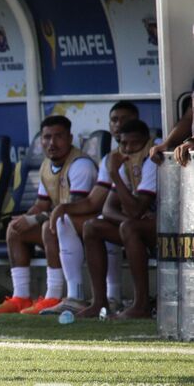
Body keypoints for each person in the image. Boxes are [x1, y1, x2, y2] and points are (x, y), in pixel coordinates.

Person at [0, 115, 97, 315]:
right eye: (46, 137)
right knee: (16, 229)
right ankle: (20, 297)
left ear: (70, 138)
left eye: (58, 137)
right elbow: (41, 204)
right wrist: (25, 219)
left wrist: (35, 219)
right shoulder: (47, 164)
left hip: (85, 231)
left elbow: (74, 207)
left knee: (50, 226)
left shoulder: (81, 164)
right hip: (60, 226)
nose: (51, 143)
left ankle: (53, 295)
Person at [45, 101, 140, 314]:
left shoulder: (154, 150)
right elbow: (93, 202)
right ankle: (76, 296)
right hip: (126, 220)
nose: (118, 124)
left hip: (149, 220)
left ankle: (114, 295)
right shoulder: (109, 159)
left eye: (124, 119)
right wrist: (64, 209)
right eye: (114, 120)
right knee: (85, 222)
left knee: (111, 222)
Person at [80, 119, 157, 319]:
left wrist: (113, 174)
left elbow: (136, 210)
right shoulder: (124, 162)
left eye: (135, 143)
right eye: (123, 144)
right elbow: (108, 209)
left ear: (147, 141)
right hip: (144, 225)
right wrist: (128, 221)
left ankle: (140, 305)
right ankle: (99, 302)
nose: (129, 149)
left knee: (130, 226)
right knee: (91, 226)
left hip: (170, 225)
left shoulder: (153, 159)